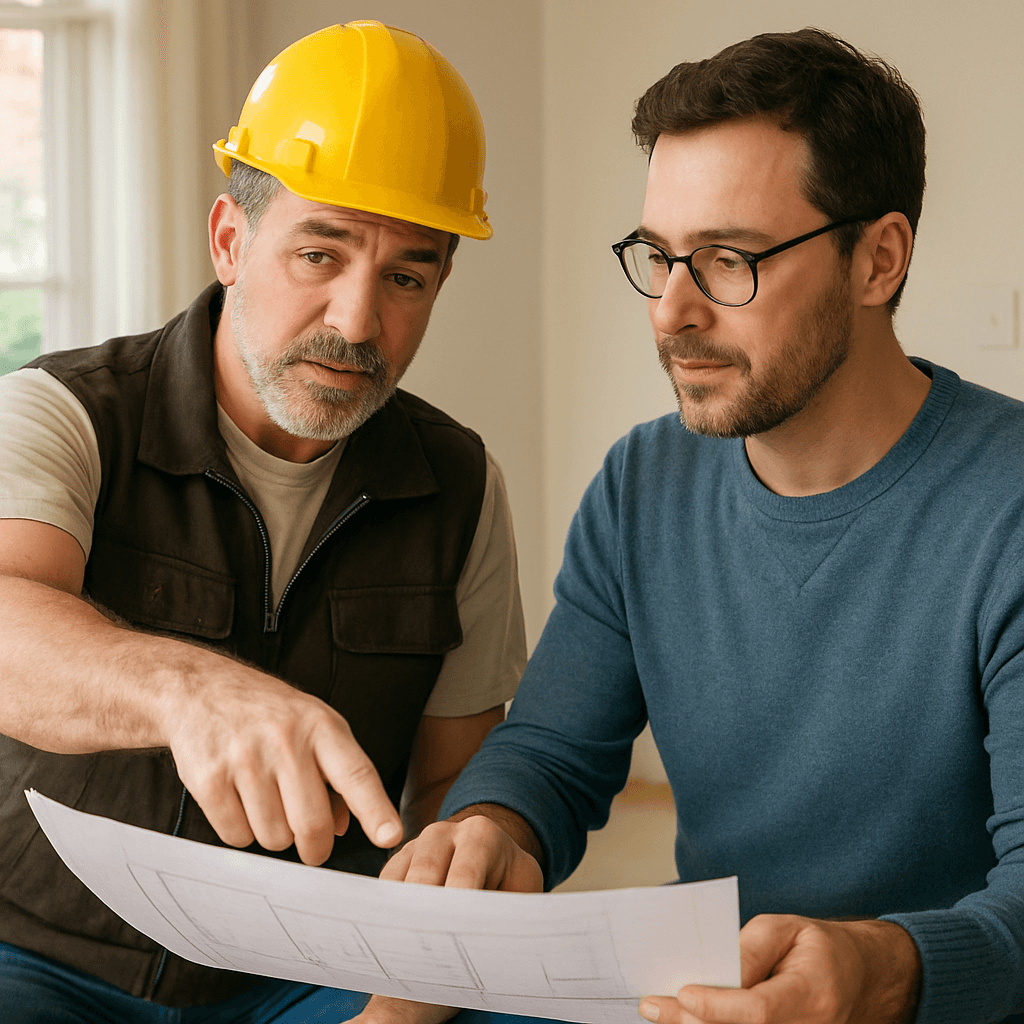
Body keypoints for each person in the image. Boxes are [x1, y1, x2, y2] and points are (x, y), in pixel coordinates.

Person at [372, 27, 1024, 1024]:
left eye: (728, 259)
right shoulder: (645, 483)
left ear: (877, 260)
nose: (670, 312)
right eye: (658, 256)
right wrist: (495, 823)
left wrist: (886, 969)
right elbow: (550, 750)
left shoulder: (1007, 504)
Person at [0, 20, 526, 1023]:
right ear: (231, 241)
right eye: (318, 254)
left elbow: (455, 781)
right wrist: (189, 692)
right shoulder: (62, 412)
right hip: (38, 951)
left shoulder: (461, 483)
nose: (358, 320)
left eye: (406, 276)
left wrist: (416, 984)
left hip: (311, 976)